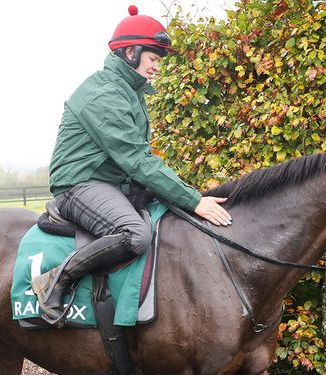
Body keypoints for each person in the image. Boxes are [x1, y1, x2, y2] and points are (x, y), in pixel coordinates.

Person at [31, 5, 232, 324]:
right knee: (135, 233)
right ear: (129, 52)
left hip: (110, 183)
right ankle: (54, 280)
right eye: (153, 59)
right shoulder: (105, 95)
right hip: (79, 184)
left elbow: (136, 159)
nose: (156, 67)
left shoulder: (128, 92)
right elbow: (138, 160)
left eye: (158, 61)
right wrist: (195, 200)